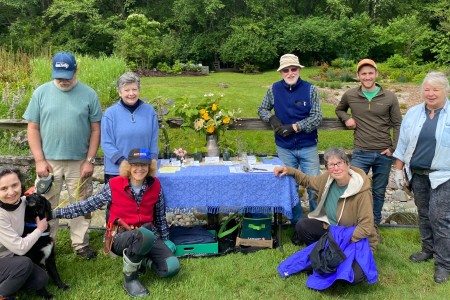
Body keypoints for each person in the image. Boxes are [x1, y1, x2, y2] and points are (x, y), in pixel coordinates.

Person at [53, 148, 180, 297]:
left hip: (148, 234)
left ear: (149, 167)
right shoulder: (114, 185)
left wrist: (165, 240)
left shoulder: (155, 185)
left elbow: (159, 216)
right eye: (135, 165)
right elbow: (87, 205)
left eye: (144, 165)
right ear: (128, 166)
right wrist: (55, 213)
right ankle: (130, 280)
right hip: (120, 237)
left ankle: (143, 260)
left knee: (171, 267)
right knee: (140, 236)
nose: (139, 169)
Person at [23, 51, 102, 259]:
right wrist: (39, 160)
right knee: (45, 203)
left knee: (81, 203)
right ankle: (48, 242)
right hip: (48, 162)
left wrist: (90, 160)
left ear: (76, 70)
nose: (62, 80)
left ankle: (80, 244)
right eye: (58, 76)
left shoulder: (89, 94)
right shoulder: (41, 93)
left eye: (66, 76)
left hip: (79, 162)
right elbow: (32, 129)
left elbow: (96, 130)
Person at [274, 147, 378, 284]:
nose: (336, 168)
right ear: (327, 168)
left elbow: (366, 227)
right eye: (331, 164)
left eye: (339, 163)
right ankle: (326, 255)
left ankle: (326, 256)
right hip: (332, 230)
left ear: (347, 164)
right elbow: (308, 181)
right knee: (302, 225)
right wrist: (290, 171)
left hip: (354, 239)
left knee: (356, 276)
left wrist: (339, 241)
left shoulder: (361, 191)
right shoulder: (328, 179)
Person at [392, 71, 450, 284]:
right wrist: (398, 170)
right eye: (427, 89)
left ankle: (444, 264)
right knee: (424, 214)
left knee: (439, 217)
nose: (431, 93)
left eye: (436, 89)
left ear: (446, 91)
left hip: (444, 176)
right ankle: (428, 249)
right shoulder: (414, 113)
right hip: (417, 174)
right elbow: (402, 145)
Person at [335, 58, 402, 229]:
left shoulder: (389, 97)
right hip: (361, 152)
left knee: (379, 192)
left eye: (370, 73)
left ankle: (374, 225)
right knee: (354, 189)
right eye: (363, 73)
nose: (367, 76)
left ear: (376, 74)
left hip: (383, 153)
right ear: (358, 76)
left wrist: (393, 149)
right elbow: (339, 109)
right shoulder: (350, 95)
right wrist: (346, 118)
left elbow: (397, 124)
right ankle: (354, 224)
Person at [258, 53, 322, 224]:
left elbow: (317, 117)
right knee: (290, 187)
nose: (290, 73)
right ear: (281, 72)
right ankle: (298, 225)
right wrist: (271, 118)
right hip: (284, 147)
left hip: (308, 145)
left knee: (315, 186)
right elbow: (262, 109)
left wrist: (295, 127)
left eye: (294, 69)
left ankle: (318, 224)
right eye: (286, 70)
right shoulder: (274, 89)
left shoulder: (311, 90)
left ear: (299, 70)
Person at [101, 72, 159, 184]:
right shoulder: (110, 114)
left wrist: (152, 160)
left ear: (139, 90)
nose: (131, 93)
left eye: (134, 89)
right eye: (127, 90)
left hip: (142, 171)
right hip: (117, 171)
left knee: (144, 201)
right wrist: (122, 162)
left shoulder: (149, 111)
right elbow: (106, 143)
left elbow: (154, 140)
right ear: (119, 92)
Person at [0, 168, 49, 299]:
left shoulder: (23, 202)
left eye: (14, 185)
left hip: (7, 259)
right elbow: (20, 248)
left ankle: (8, 286)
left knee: (40, 278)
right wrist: (40, 229)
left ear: (21, 184)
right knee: (24, 264)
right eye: (4, 188)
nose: (11, 192)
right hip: (6, 258)